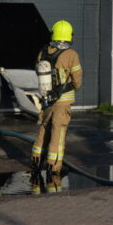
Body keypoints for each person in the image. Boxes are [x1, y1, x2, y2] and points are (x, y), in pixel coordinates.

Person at [31, 20, 83, 176]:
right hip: (63, 101)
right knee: (58, 132)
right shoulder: (71, 54)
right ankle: (54, 168)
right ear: (69, 36)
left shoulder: (43, 51)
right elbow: (77, 80)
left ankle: (36, 161)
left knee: (44, 128)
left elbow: (37, 70)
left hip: (46, 99)